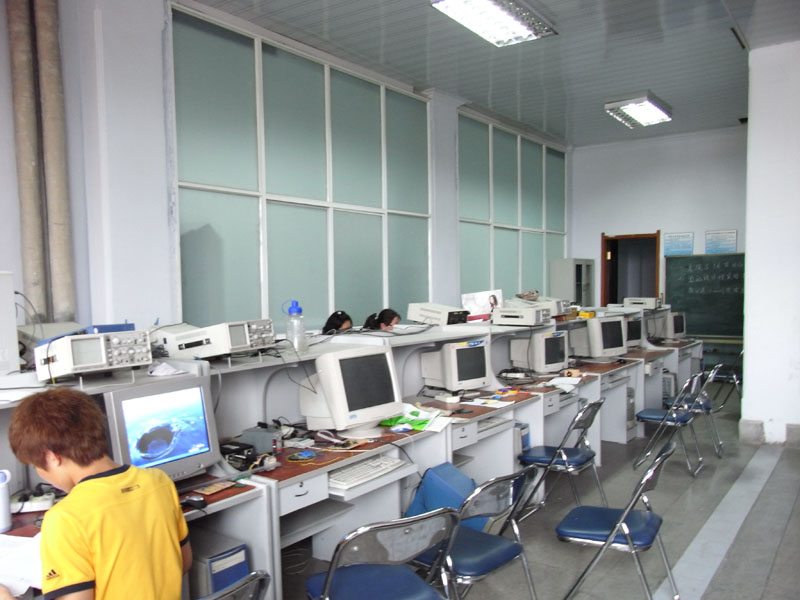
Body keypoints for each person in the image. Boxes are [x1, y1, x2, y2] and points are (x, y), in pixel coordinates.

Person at [6, 387, 192, 600]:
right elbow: (183, 563)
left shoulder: (66, 518)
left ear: (51, 457)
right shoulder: (159, 482)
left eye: (36, 466)